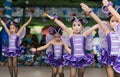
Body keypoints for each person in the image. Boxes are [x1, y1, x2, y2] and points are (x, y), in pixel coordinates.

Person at [80, 1, 120, 77]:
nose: (115, 23)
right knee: (109, 68)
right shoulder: (107, 32)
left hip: (119, 56)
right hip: (110, 54)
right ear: (109, 23)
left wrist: (108, 6)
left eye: (117, 21)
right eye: (112, 21)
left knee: (118, 73)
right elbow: (99, 21)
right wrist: (90, 12)